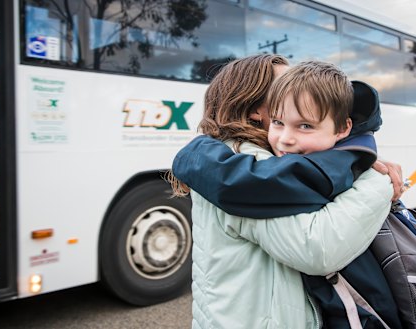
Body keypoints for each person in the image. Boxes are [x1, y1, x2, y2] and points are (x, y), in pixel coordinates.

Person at [169, 55, 400, 328]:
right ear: (256, 107)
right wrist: (378, 180)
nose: (298, 88)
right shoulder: (249, 161)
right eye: (284, 84)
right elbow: (318, 248)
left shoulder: (233, 156)